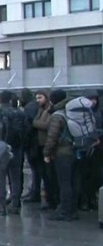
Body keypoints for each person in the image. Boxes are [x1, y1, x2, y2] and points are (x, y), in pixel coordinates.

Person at [43, 90, 78, 221]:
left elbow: (52, 136)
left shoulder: (57, 115)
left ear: (53, 100)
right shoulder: (73, 111)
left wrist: (46, 153)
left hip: (63, 153)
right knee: (74, 182)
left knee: (64, 183)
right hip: (76, 151)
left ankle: (64, 211)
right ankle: (73, 210)